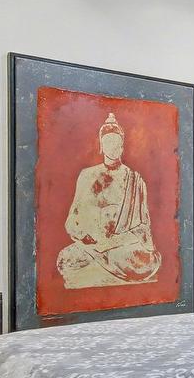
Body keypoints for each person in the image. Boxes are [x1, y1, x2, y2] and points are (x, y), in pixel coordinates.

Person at [56, 112, 162, 287]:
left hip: (125, 250)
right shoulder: (87, 176)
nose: (112, 147)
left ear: (122, 146)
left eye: (116, 143)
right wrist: (84, 235)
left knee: (145, 262)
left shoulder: (135, 180)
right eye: (108, 142)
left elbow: (143, 229)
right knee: (65, 259)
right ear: (101, 146)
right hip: (93, 246)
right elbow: (72, 220)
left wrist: (111, 243)